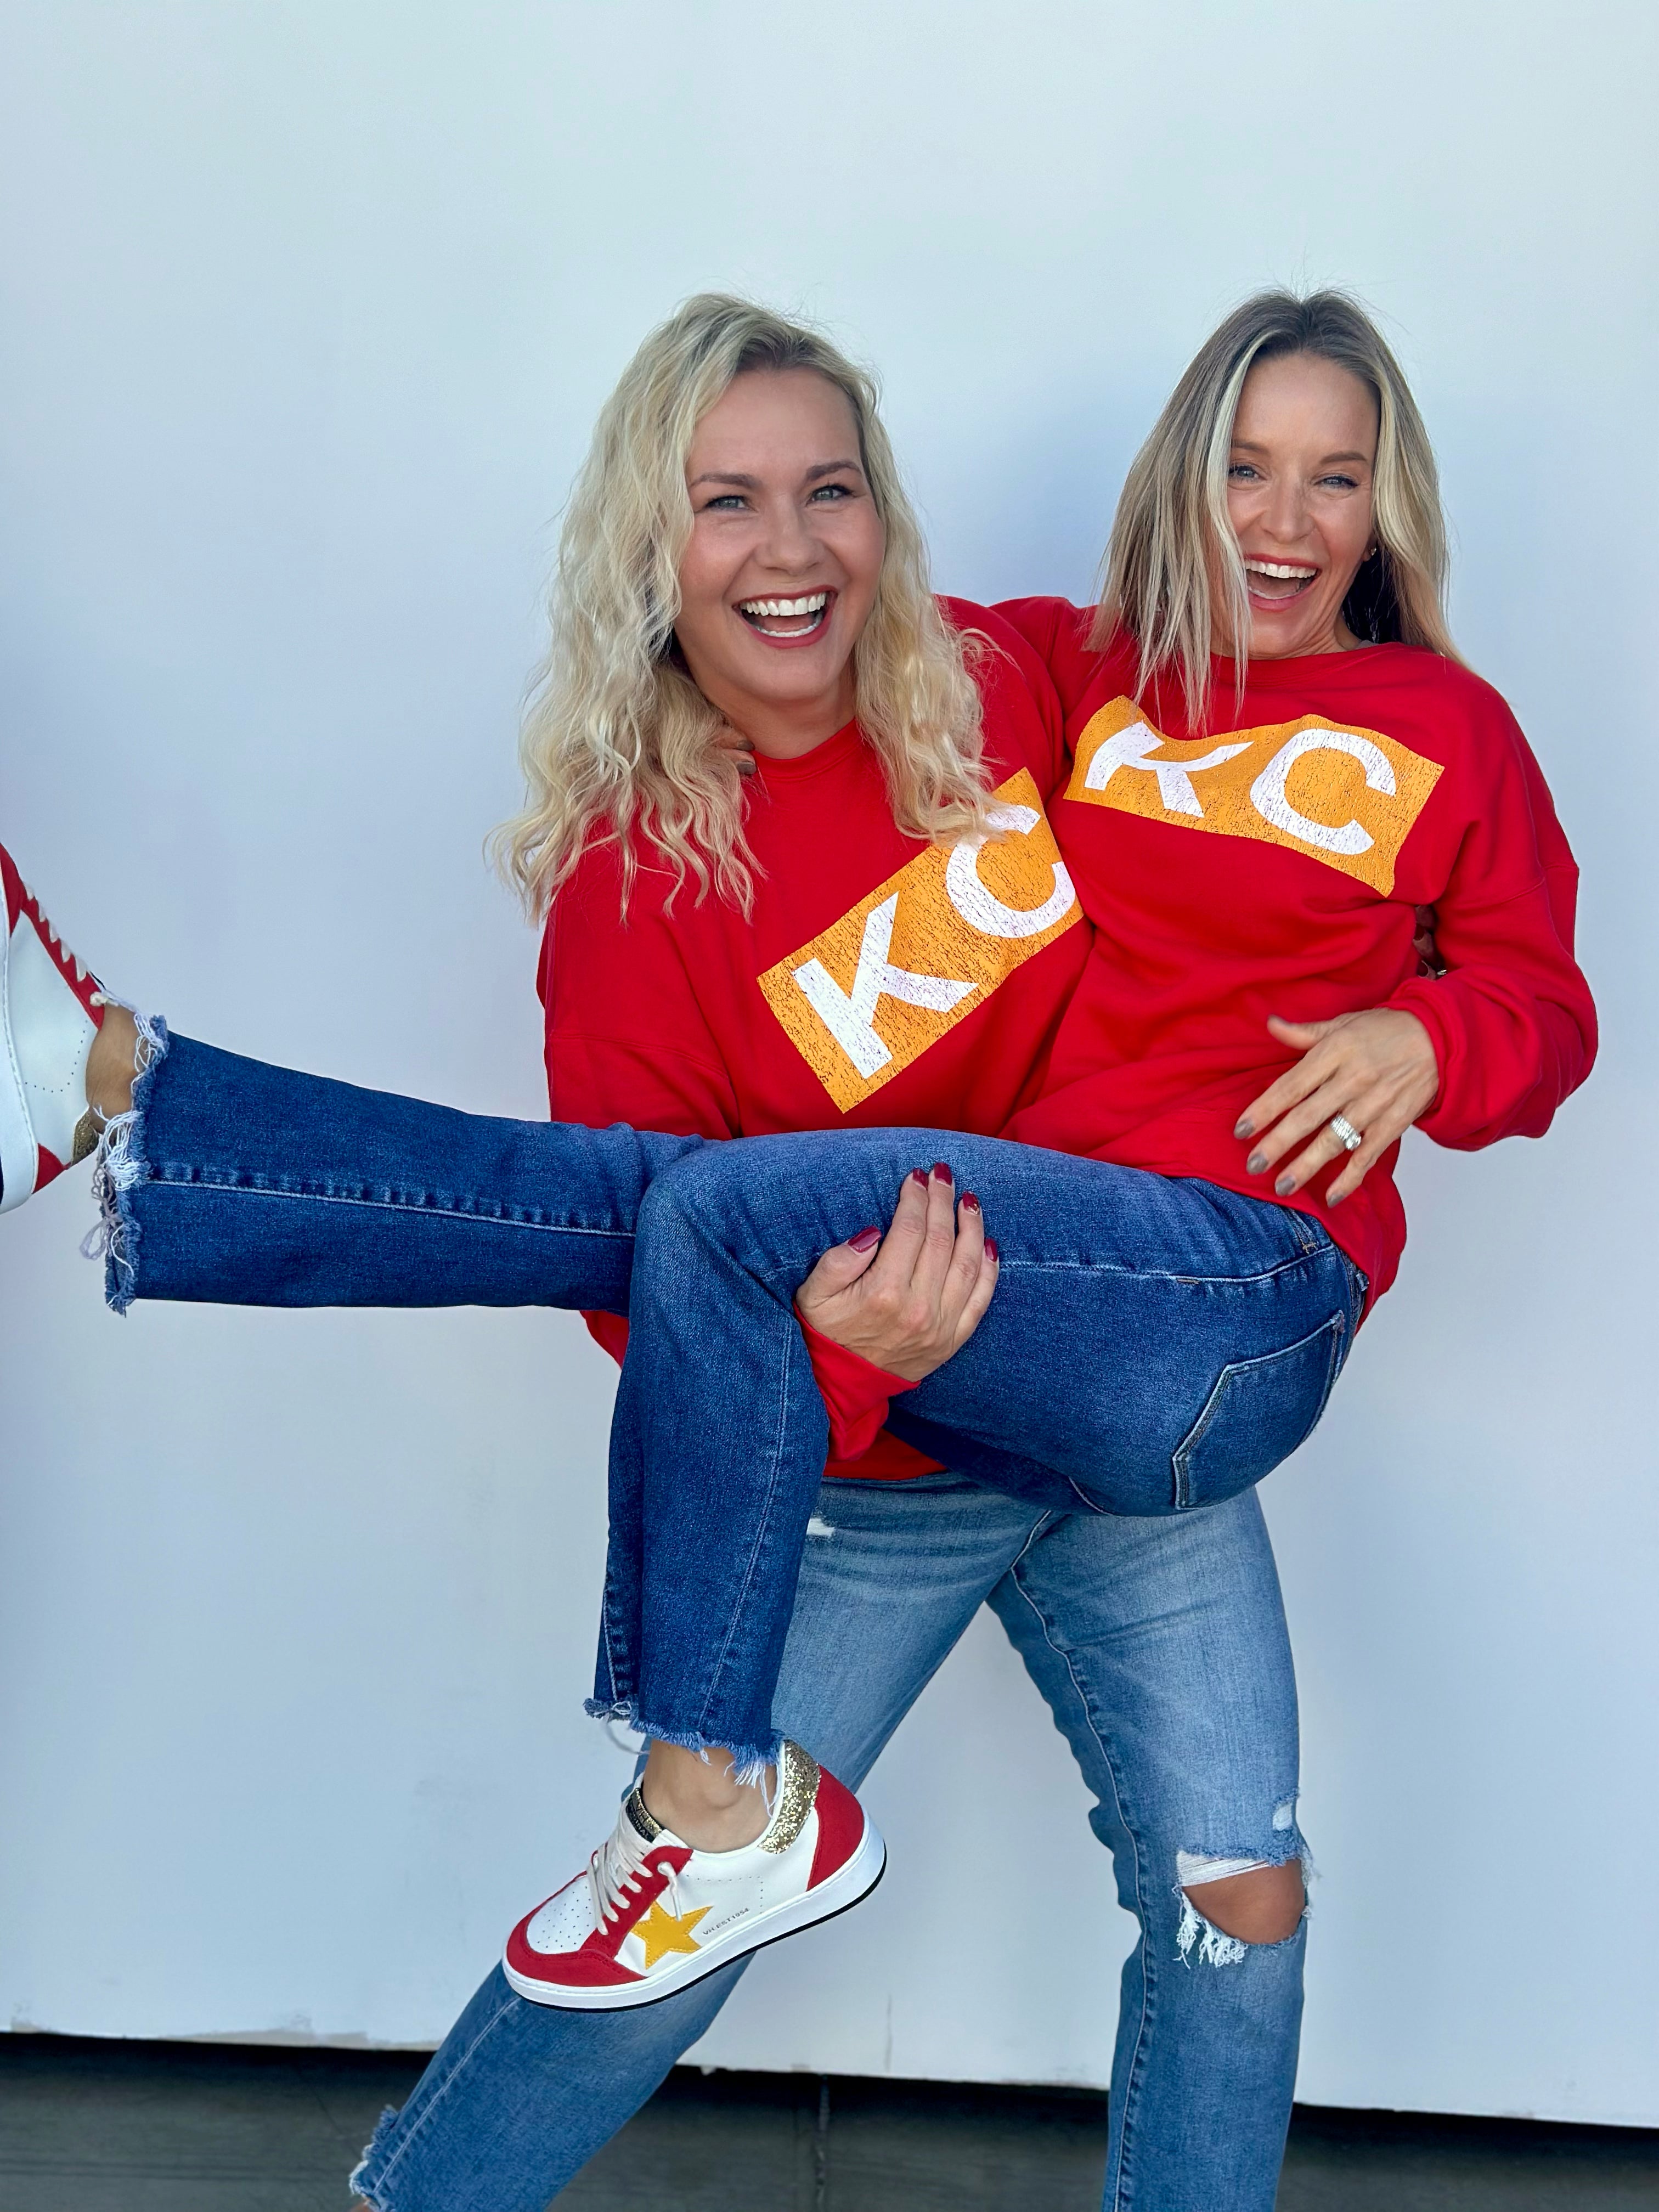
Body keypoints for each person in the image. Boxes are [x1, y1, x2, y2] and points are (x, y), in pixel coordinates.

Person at [0, 289, 1593, 2211]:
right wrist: (854, 1356)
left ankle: (129, 1097)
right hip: (889, 1454)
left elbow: (1441, 903)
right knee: (674, 1911)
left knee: (1237, 1887)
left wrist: (1432, 1027)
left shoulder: (1016, 688)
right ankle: (436, 2168)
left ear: (881, 516)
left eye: (828, 491)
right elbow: (659, 1313)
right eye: (726, 503)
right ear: (650, 551)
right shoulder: (636, 887)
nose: (789, 549)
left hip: (1116, 1350)